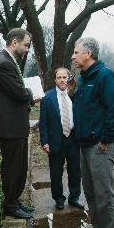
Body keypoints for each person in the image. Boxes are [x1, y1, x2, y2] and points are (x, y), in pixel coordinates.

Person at [70, 37, 114, 228]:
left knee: (105, 195)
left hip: (100, 146)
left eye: (76, 52)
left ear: (88, 53)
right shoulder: (85, 79)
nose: (73, 56)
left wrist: (105, 140)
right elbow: (87, 110)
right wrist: (73, 93)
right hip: (85, 144)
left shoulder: (105, 76)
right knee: (91, 193)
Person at [0, 28, 41, 219]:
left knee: (20, 165)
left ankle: (15, 199)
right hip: (10, 127)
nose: (27, 49)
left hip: (16, 125)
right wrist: (31, 94)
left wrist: (26, 92)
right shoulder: (4, 63)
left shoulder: (9, 62)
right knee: (12, 167)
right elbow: (19, 92)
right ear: (14, 42)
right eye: (26, 45)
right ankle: (10, 204)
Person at [39, 67, 83, 211]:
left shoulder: (76, 95)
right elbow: (43, 121)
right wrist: (44, 141)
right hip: (55, 139)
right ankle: (58, 198)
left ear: (69, 78)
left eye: (64, 77)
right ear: (55, 79)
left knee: (75, 169)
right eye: (59, 78)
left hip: (73, 138)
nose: (62, 80)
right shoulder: (48, 97)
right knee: (56, 171)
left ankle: (74, 197)